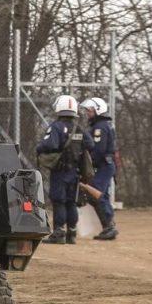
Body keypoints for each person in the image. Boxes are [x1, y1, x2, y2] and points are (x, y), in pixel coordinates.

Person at [37, 95, 94, 245]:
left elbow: (50, 144)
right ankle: (72, 233)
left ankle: (59, 233)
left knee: (59, 201)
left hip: (60, 172)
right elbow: (90, 144)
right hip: (75, 172)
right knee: (71, 202)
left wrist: (40, 147)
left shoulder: (56, 126)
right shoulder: (78, 127)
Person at [81, 97, 118, 240]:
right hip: (106, 165)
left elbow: (98, 150)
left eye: (89, 111)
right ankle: (109, 226)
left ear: (98, 110)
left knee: (95, 193)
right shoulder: (102, 125)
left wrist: (88, 165)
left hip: (104, 165)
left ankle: (109, 226)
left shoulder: (100, 127)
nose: (87, 113)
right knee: (102, 195)